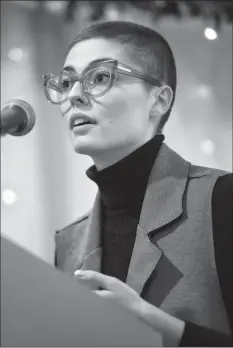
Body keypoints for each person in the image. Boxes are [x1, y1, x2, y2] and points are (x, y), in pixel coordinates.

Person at [43, 21, 233, 346]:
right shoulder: (68, 242)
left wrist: (149, 320)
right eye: (66, 82)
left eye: (99, 78)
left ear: (158, 100)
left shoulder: (222, 199)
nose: (73, 96)